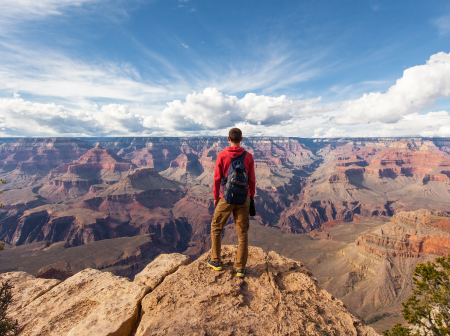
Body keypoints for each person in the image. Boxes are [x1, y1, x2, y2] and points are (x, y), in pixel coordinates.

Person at [207, 128, 256, 278]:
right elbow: (252, 180)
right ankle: (240, 268)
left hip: (226, 198)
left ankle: (216, 261)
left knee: (216, 227)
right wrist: (250, 196)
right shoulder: (248, 157)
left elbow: (216, 179)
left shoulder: (222, 155)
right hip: (244, 198)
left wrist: (216, 197)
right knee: (242, 233)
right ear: (241, 138)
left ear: (228, 139)